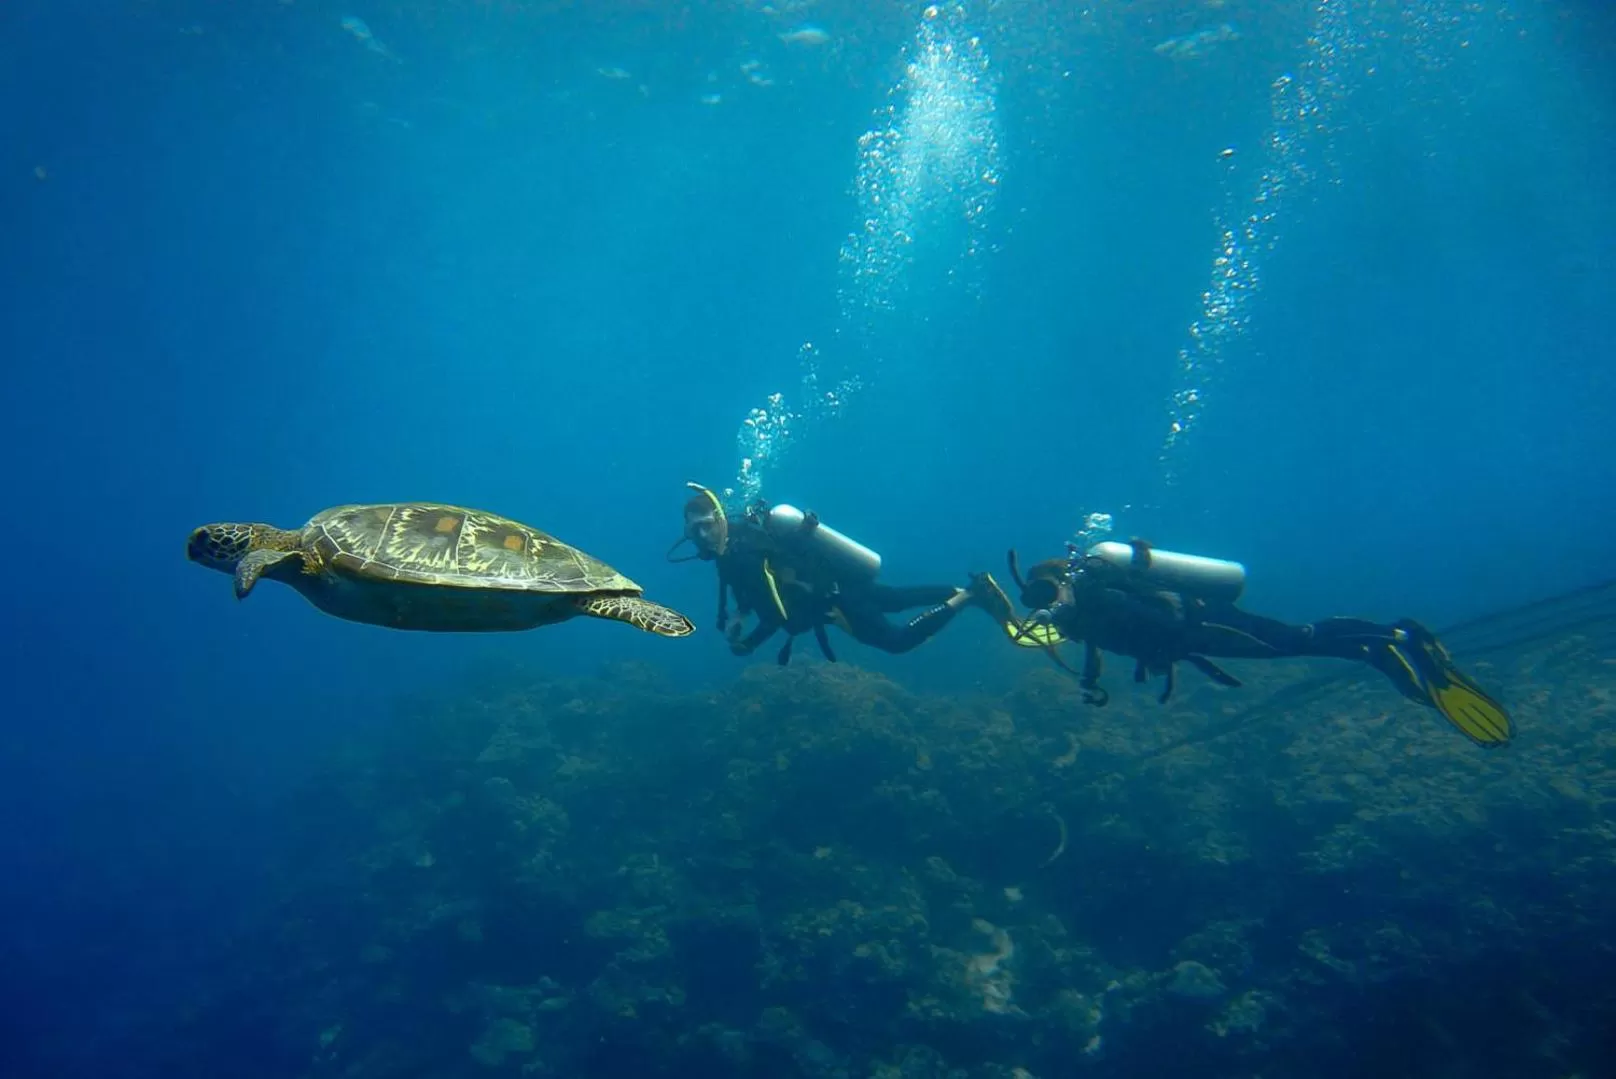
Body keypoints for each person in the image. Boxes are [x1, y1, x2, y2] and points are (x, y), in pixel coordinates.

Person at [984, 537, 1514, 748]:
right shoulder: (1081, 618)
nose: (1044, 601)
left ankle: (1396, 634)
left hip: (1204, 624)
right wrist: (1087, 678)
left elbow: (1152, 624)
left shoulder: (1097, 593)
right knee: (1291, 646)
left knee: (1293, 639)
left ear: (1062, 581)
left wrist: (1160, 645)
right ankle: (1375, 651)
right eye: (1036, 596)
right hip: (1198, 637)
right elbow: (1080, 644)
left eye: (1045, 591)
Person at [668, 482, 1002, 665]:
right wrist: (741, 614)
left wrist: (751, 643)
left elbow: (778, 615)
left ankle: (969, 597)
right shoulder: (733, 550)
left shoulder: (743, 554)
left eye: (707, 527)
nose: (702, 536)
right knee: (896, 598)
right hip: (838, 586)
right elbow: (756, 598)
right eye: (694, 531)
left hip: (834, 601)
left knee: (896, 642)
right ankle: (967, 587)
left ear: (721, 520)